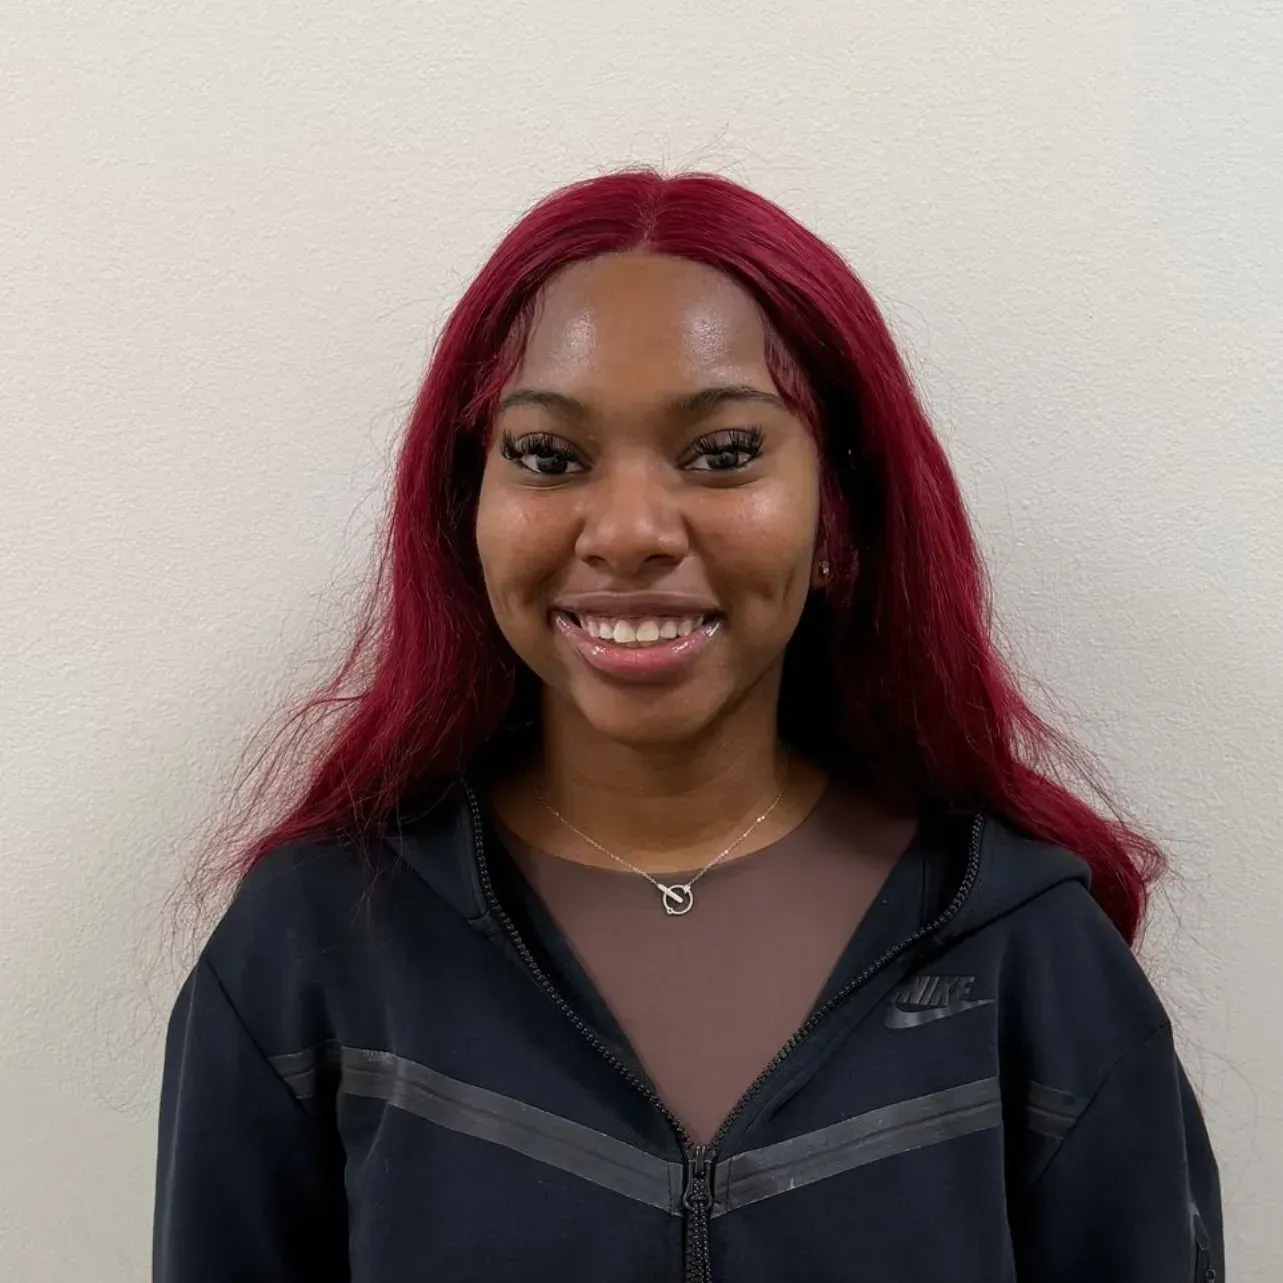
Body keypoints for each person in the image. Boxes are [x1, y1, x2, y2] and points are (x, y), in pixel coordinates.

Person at [154, 169, 1222, 1283]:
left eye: (721, 452)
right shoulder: (310, 949)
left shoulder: (1026, 956)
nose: (626, 532)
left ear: (836, 519)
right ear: (465, 507)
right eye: (548, 457)